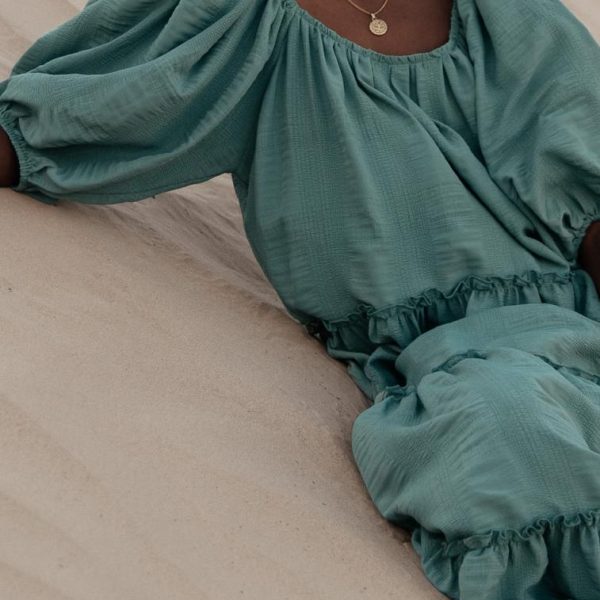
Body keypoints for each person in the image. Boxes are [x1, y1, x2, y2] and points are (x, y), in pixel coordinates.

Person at [0, 0, 599, 597]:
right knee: (508, 435)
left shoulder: (511, 19)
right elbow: (72, 119)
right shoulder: (239, 20)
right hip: (440, 367)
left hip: (574, 328)